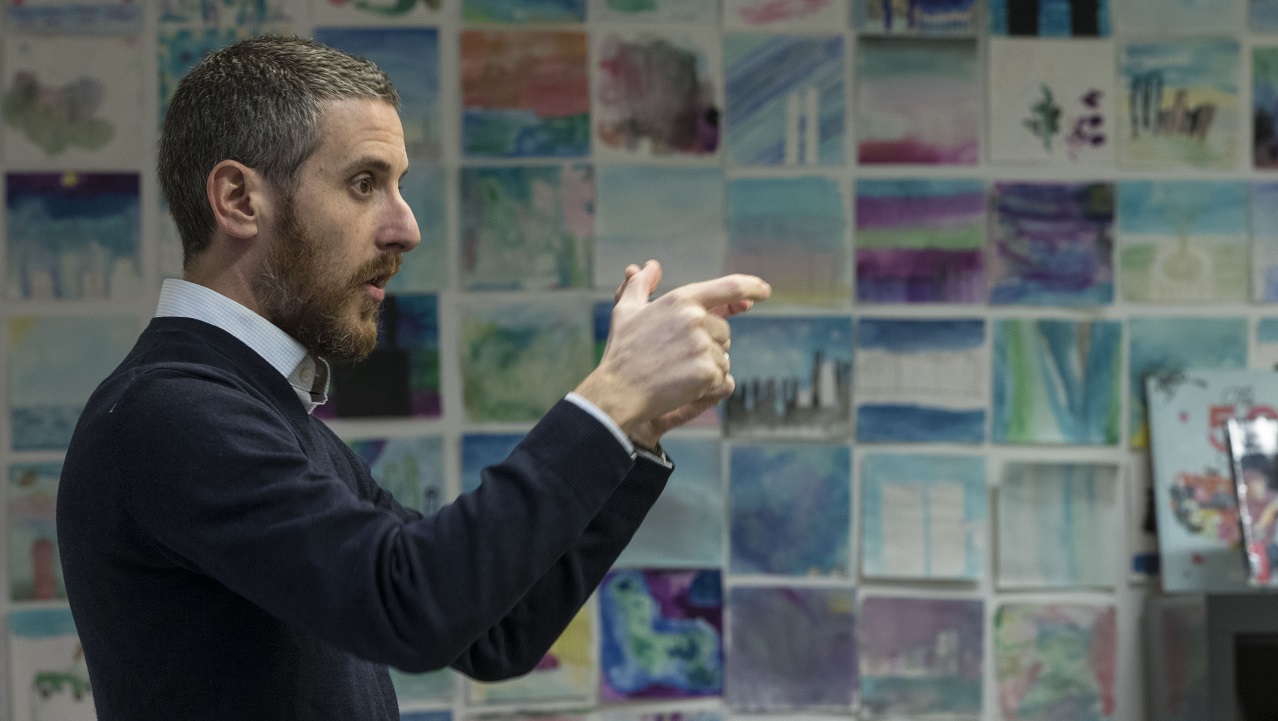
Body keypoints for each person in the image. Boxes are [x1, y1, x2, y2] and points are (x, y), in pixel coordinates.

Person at [56, 35, 770, 720]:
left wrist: (636, 427)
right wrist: (612, 394)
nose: (407, 227)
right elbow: (412, 603)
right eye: (364, 183)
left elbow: (495, 628)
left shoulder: (266, 413)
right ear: (241, 200)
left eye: (399, 186)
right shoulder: (167, 412)